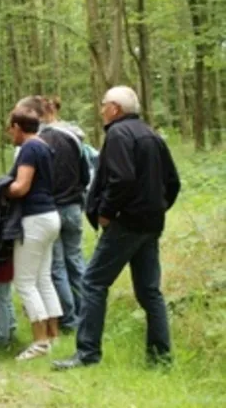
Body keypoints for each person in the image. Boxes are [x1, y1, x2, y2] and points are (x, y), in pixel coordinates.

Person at [53, 86, 181, 370]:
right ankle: (161, 358)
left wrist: (107, 213)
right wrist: (157, 208)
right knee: (150, 291)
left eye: (103, 104)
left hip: (126, 224)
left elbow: (121, 178)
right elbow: (173, 182)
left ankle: (87, 354)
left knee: (93, 282)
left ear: (115, 108)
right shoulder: (152, 135)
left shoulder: (118, 135)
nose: (100, 110)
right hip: (150, 224)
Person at [6, 107, 63, 360]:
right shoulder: (45, 146)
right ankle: (53, 336)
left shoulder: (29, 148)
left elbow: (21, 187)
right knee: (43, 278)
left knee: (25, 282)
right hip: (51, 216)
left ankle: (39, 342)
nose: (10, 134)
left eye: (11, 129)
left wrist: (0, 189)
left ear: (17, 127)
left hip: (34, 219)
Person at [37, 98, 89, 332]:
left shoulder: (37, 142)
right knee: (76, 260)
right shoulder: (75, 138)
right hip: (74, 207)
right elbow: (86, 174)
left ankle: (69, 318)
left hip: (51, 207)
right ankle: (88, 311)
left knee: (56, 266)